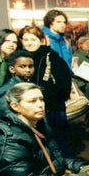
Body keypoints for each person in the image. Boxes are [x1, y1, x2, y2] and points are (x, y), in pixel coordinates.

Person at [19, 25, 73, 154]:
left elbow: (64, 83)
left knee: (58, 142)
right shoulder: (19, 59)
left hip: (52, 109)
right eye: (26, 40)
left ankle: (65, 167)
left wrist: (51, 100)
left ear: (41, 40)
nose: (29, 43)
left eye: (33, 39)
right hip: (28, 111)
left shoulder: (52, 58)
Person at [0, 50, 35, 126]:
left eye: (30, 66)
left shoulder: (29, 88)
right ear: (12, 69)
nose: (28, 70)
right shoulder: (6, 90)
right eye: (22, 66)